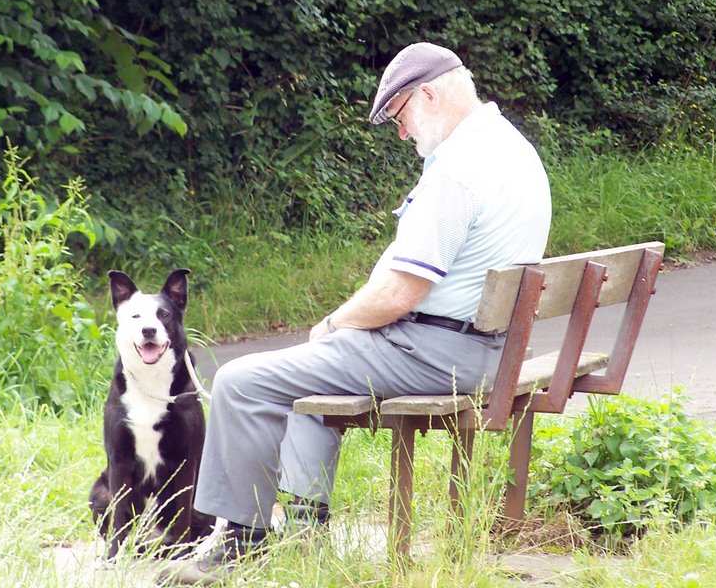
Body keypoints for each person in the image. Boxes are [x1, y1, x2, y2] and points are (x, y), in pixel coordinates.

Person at [162, 42, 551, 585]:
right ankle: (303, 526)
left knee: (242, 380)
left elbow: (397, 294)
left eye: (399, 115)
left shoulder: (458, 172)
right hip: (490, 348)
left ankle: (240, 545)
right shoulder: (513, 149)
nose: (401, 132)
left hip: (436, 353)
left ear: (429, 95)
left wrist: (335, 322)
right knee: (310, 365)